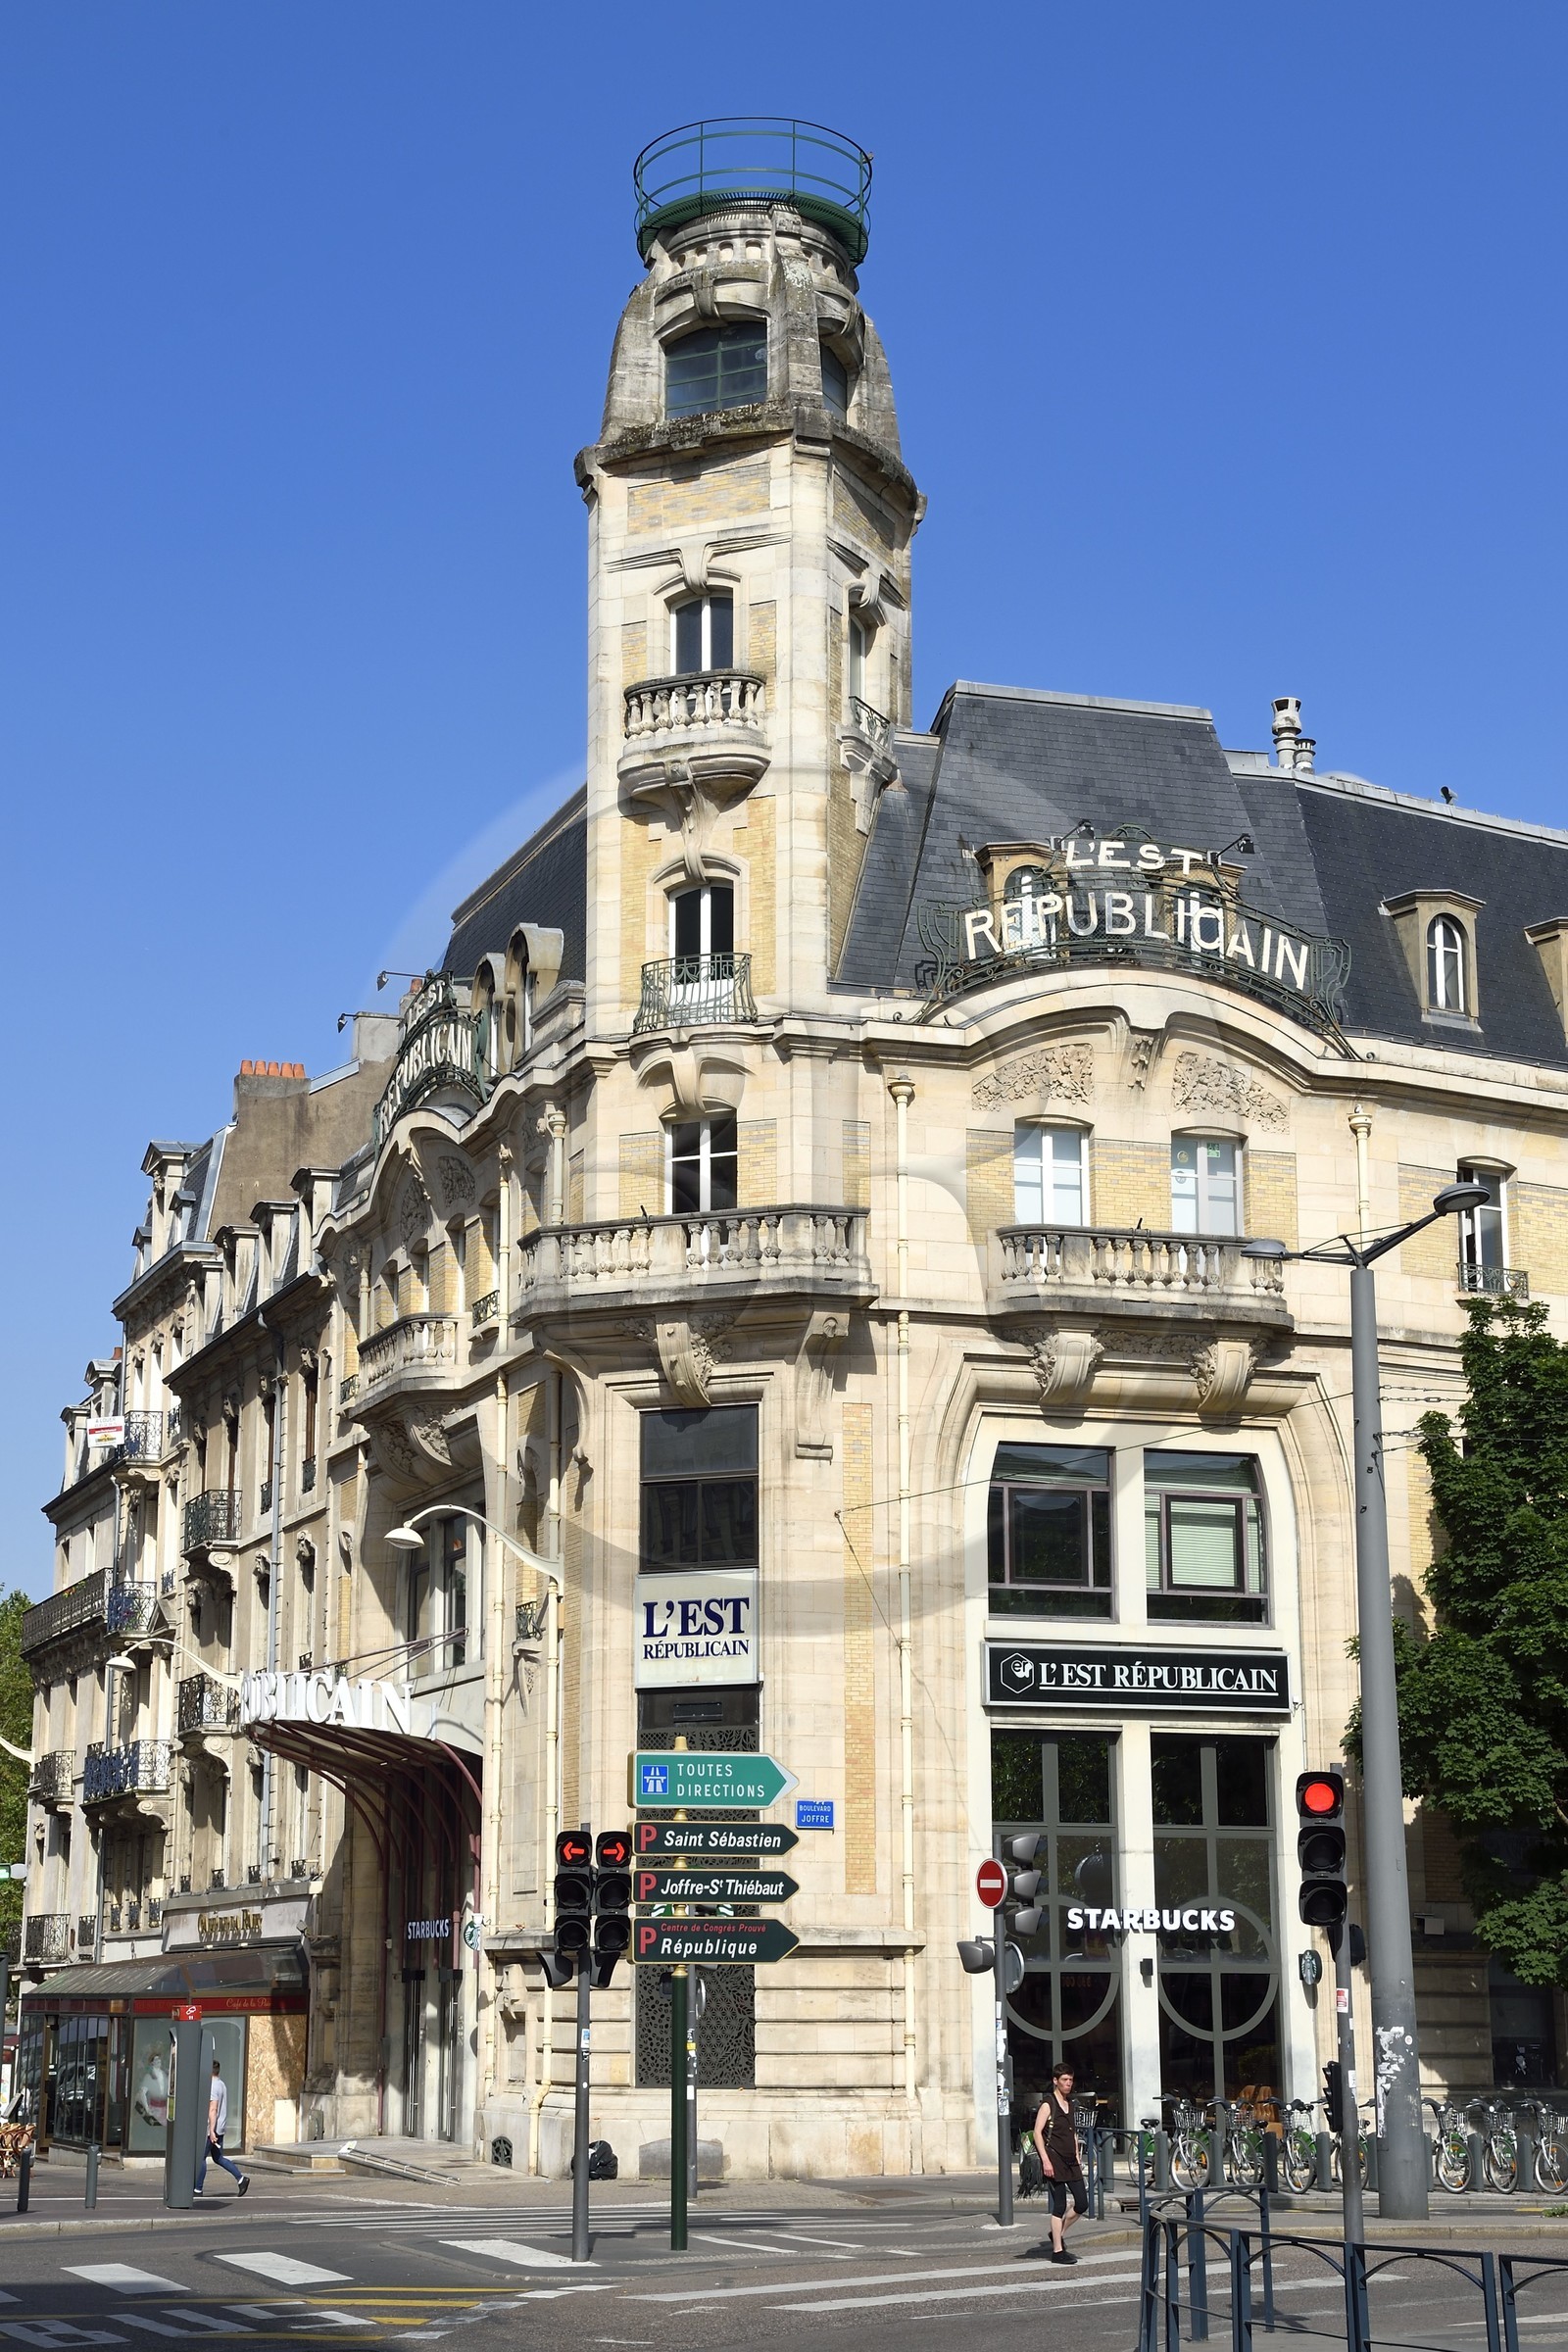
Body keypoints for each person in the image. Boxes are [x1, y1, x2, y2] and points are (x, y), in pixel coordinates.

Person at [1031, 2058, 1086, 2262]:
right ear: (1055, 2081)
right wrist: (1045, 2160)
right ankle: (1057, 2251)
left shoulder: (1070, 2103)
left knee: (1082, 2203)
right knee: (1059, 2205)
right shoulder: (1048, 2104)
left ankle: (1058, 2234)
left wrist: (1078, 2154)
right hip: (1054, 2159)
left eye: (1070, 2080)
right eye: (1064, 2080)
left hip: (1071, 2160)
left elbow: (1072, 2132)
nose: (1068, 2083)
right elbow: (1037, 2133)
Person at [193, 2058, 249, 2198]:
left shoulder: (212, 2086)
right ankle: (241, 2179)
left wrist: (211, 2131)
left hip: (212, 2129)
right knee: (218, 2158)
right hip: (220, 2127)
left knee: (201, 2157)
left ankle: (198, 2189)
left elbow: (213, 2109)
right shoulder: (222, 2084)